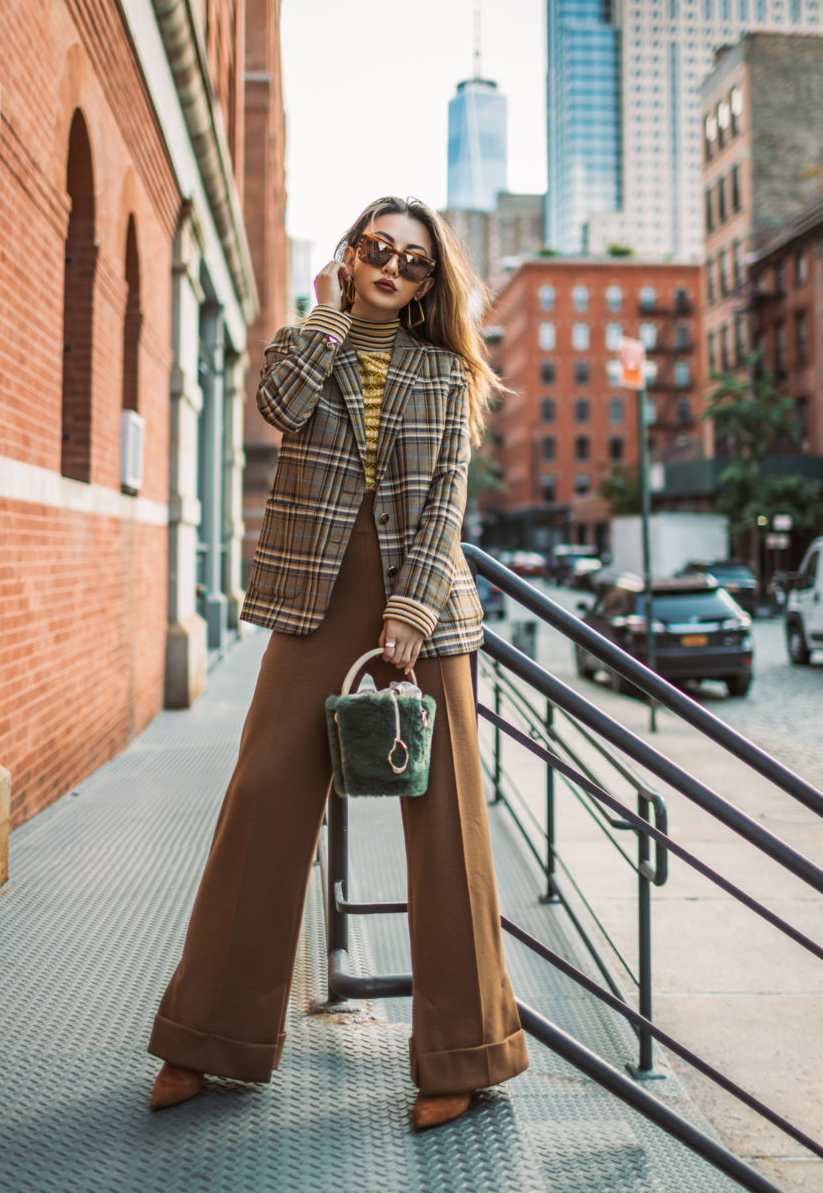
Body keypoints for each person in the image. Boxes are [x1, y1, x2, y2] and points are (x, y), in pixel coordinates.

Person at [147, 196, 528, 1129]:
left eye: (415, 262)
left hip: (423, 610)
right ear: (352, 256)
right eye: (378, 250)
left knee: (447, 829)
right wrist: (326, 308)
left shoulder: (446, 374)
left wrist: (408, 611)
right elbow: (278, 405)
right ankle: (210, 1041)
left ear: (433, 284)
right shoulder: (302, 344)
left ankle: (462, 1056)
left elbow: (445, 504)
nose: (395, 268)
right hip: (311, 598)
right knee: (266, 800)